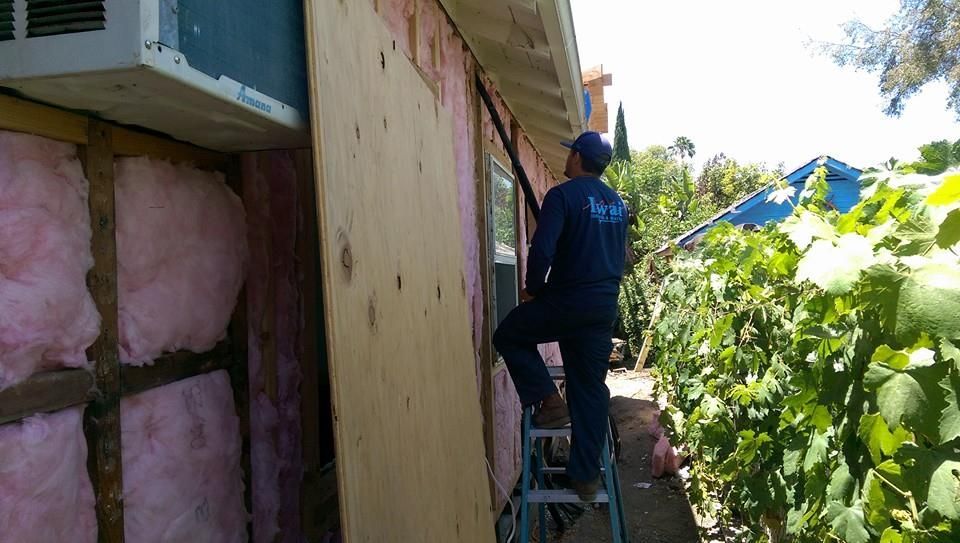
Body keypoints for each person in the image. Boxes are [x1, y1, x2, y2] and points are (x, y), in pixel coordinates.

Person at [492, 131, 627, 501]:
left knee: (509, 334)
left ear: (579, 157)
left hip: (569, 301)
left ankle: (550, 403)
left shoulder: (562, 195)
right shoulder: (617, 203)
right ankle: (585, 476)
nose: (566, 159)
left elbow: (542, 250)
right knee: (589, 386)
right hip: (602, 307)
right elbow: (621, 257)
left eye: (570, 154)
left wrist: (534, 288)